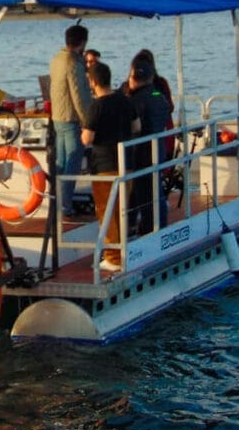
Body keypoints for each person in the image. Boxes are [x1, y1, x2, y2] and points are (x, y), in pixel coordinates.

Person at [83, 61, 140, 271]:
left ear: (93, 81)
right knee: (122, 210)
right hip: (126, 163)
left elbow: (87, 138)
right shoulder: (124, 100)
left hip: (104, 165)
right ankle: (122, 251)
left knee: (106, 212)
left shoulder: (96, 106)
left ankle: (113, 258)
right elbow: (137, 126)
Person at [49, 24, 91, 219]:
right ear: (82, 42)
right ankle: (65, 206)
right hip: (71, 118)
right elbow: (79, 94)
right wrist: (87, 121)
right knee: (72, 162)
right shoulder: (73, 63)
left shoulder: (56, 59)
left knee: (61, 162)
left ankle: (55, 202)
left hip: (58, 116)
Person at [126, 59, 172, 236]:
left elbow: (134, 126)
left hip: (141, 153)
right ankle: (156, 225)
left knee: (144, 194)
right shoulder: (157, 96)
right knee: (153, 192)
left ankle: (148, 229)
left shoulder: (137, 100)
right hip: (157, 151)